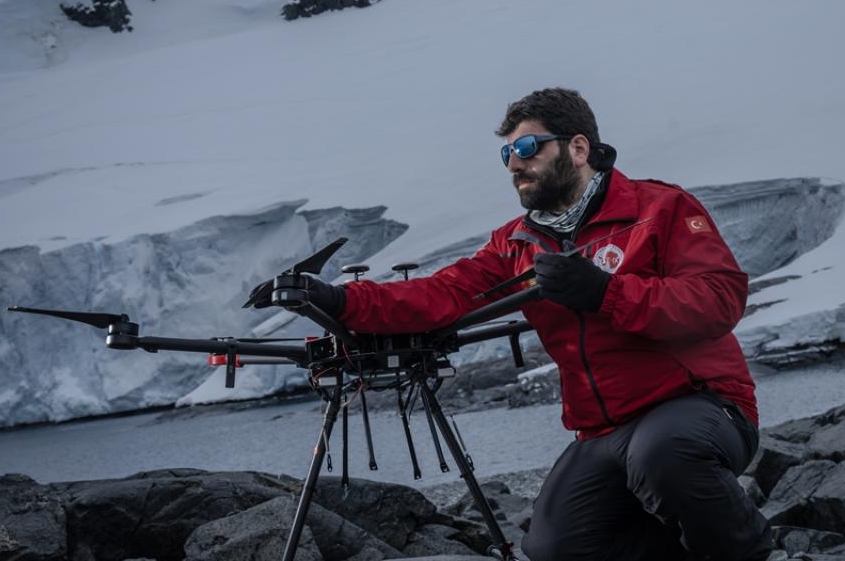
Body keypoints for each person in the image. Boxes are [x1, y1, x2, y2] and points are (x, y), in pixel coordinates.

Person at [249, 88, 773, 561]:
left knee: (664, 455)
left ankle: (748, 551)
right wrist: (339, 300)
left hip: (700, 404)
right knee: (555, 547)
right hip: (603, 429)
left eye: (527, 149)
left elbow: (719, 298)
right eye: (506, 154)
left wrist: (606, 293)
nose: (513, 165)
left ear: (578, 148)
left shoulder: (660, 208)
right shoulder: (516, 242)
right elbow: (440, 293)